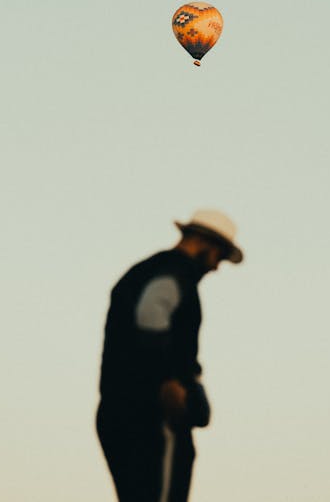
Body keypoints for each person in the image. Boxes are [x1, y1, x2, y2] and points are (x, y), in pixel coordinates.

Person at [96, 209, 243, 502]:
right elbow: (151, 314)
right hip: (152, 415)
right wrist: (167, 380)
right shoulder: (177, 272)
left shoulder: (143, 271)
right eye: (219, 256)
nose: (216, 267)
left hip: (119, 410)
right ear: (206, 242)